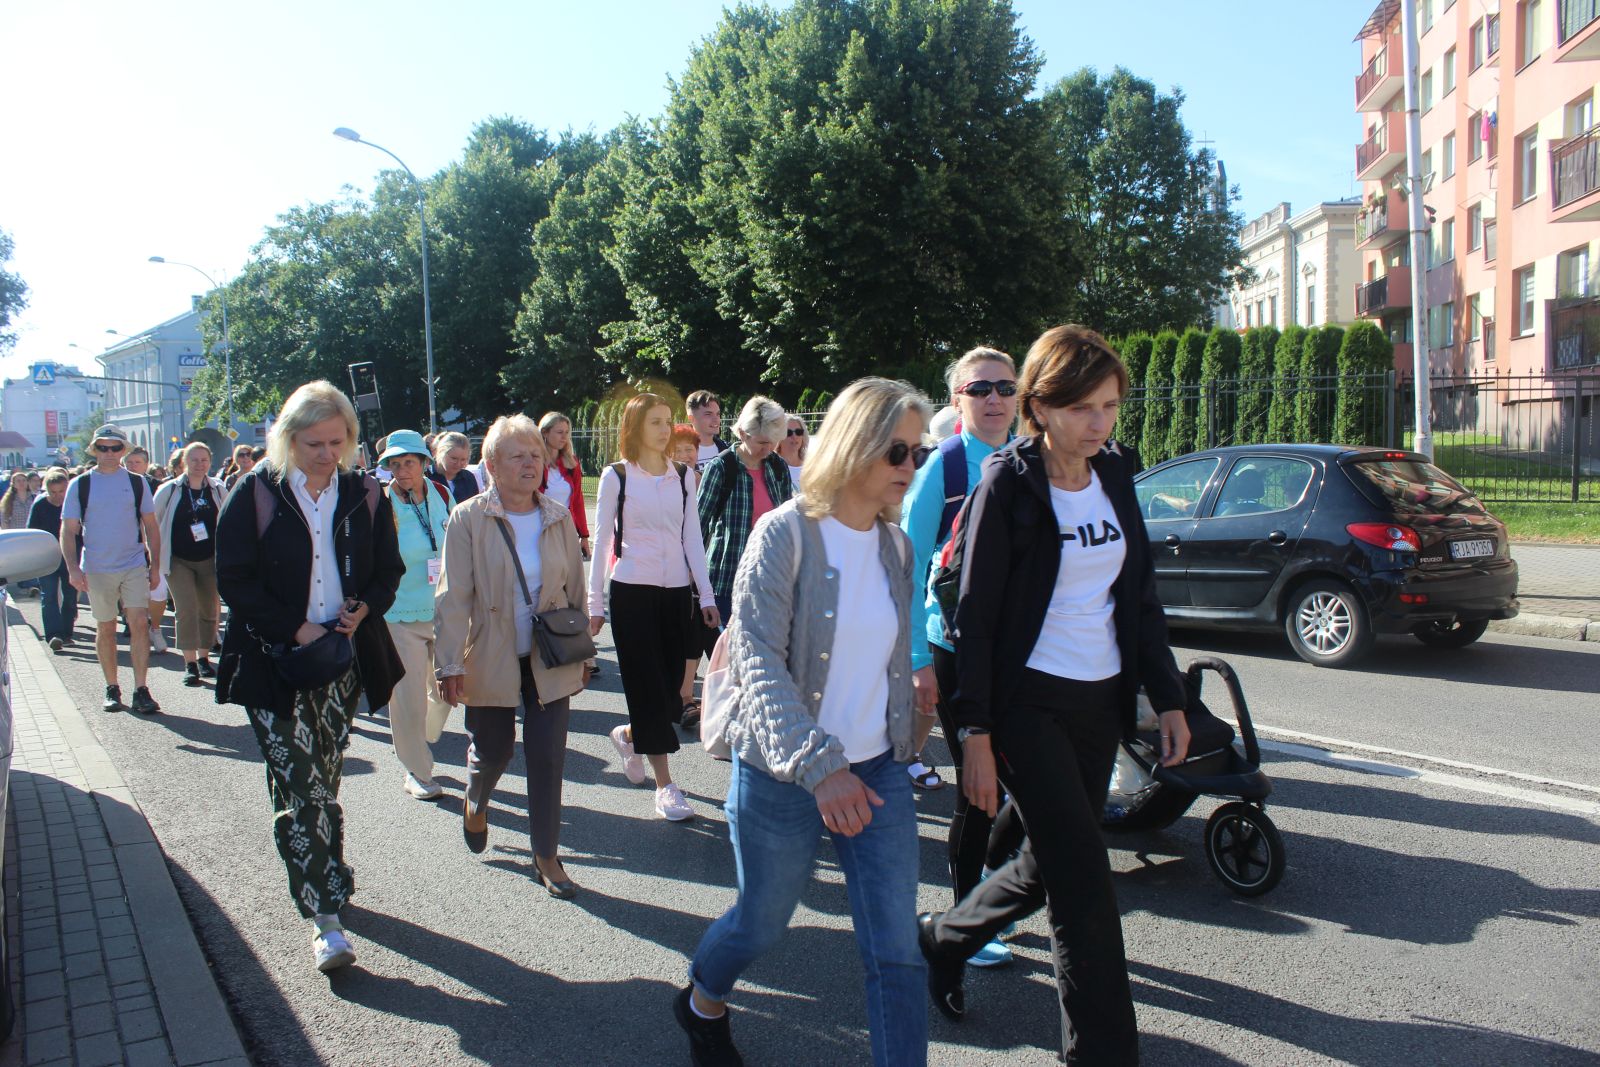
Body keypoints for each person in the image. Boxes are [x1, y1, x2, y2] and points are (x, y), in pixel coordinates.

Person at [917, 326, 1192, 1065]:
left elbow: (1139, 594)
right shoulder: (1006, 485)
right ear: (1040, 406)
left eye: (1110, 406)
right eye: (1082, 408)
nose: (1100, 423)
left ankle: (942, 938)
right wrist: (975, 731)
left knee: (1052, 861)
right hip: (1027, 706)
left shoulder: (1115, 472)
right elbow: (976, 617)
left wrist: (1168, 696)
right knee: (1085, 889)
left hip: (1100, 701)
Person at [676, 377, 933, 1067]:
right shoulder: (784, 533)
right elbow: (757, 660)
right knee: (761, 923)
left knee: (897, 952)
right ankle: (702, 999)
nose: (910, 466)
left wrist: (914, 720)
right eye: (897, 451)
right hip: (781, 772)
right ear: (854, 445)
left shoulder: (897, 547)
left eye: (917, 452)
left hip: (878, 770)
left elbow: (892, 655)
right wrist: (821, 767)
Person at [214, 380, 404, 973]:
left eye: (336, 441)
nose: (326, 454)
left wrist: (364, 607)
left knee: (319, 778)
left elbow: (388, 571)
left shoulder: (364, 492)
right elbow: (234, 580)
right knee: (303, 786)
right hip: (274, 662)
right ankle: (326, 919)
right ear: (288, 439)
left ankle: (327, 868)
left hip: (341, 661)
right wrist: (296, 629)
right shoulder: (255, 492)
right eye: (313, 443)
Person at [435, 414, 590, 896]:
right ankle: (476, 800)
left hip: (550, 655)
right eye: (518, 456)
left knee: (548, 757)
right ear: (491, 465)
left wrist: (584, 655)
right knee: (494, 750)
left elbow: (575, 588)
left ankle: (546, 856)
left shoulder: (557, 516)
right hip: (490, 652)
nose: (530, 464)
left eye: (536, 455)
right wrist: (449, 663)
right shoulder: (468, 518)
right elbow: (453, 597)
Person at [898, 346, 1020, 960]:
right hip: (955, 647)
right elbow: (908, 566)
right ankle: (969, 920)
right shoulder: (942, 470)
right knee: (980, 788)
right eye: (980, 389)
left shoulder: (1035, 458)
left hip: (1023, 653)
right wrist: (918, 661)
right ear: (958, 400)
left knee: (1029, 783)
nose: (994, 399)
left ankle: (996, 892)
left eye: (1005, 387)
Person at [588, 393, 719, 822]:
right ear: (635, 427)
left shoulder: (682, 476)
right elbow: (602, 542)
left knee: (671, 693)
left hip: (677, 592)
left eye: (667, 421)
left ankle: (629, 734)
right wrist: (594, 604)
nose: (665, 430)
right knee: (645, 686)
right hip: (631, 591)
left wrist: (706, 595)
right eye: (655, 422)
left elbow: (692, 538)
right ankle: (665, 786)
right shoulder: (617, 476)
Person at [60, 425, 162, 715]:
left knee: (139, 622)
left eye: (115, 447)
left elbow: (151, 526)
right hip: (97, 566)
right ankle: (111, 686)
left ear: (123, 450)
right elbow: (68, 530)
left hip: (133, 562)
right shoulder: (80, 484)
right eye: (103, 447)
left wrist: (156, 566)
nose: (109, 453)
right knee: (106, 627)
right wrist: (72, 569)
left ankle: (141, 688)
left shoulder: (136, 482)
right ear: (94, 450)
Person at [376, 430, 453, 801]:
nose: (402, 470)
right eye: (395, 464)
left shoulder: (442, 494)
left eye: (409, 462)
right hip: (399, 614)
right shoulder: (381, 502)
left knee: (448, 691)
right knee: (408, 698)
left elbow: (459, 541)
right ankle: (417, 771)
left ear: (424, 462)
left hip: (444, 609)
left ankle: (420, 736)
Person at [697, 396, 794, 624]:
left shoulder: (778, 467)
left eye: (773, 442)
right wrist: (695, 578)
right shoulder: (721, 468)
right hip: (726, 580)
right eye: (762, 442)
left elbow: (789, 522)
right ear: (742, 433)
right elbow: (698, 525)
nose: (768, 449)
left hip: (770, 581)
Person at [151, 443, 226, 687]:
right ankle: (190, 663)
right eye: (194, 459)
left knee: (209, 610)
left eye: (204, 459)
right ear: (184, 461)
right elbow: (152, 522)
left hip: (210, 559)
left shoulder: (218, 489)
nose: (199, 464)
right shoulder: (170, 490)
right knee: (186, 609)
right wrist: (153, 556)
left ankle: (204, 658)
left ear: (210, 462)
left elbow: (229, 520)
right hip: (178, 559)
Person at [669, 424, 713, 725]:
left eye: (690, 449)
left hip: (707, 566)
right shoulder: (665, 483)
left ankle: (691, 698)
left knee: (704, 633)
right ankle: (683, 699)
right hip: (675, 569)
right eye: (679, 449)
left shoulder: (707, 478)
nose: (686, 455)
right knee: (687, 635)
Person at [28, 468, 77, 649]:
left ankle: (66, 633)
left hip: (70, 556)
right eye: (53, 492)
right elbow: (31, 532)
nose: (57, 496)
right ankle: (54, 635)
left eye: (61, 491)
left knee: (70, 596)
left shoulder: (74, 504)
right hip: (47, 558)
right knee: (48, 596)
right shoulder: (40, 505)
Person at [538, 413, 592, 562]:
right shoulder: (535, 463)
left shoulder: (572, 463)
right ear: (545, 433)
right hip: (541, 531)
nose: (564, 437)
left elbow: (578, 501)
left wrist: (584, 536)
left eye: (567, 432)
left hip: (567, 530)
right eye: (559, 432)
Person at [2, 470, 39, 597]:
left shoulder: (34, 498)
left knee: (31, 561)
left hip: (31, 536)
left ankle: (31, 585)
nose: (21, 483)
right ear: (13, 484)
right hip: (16, 537)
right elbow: (4, 519)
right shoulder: (9, 501)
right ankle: (27, 585)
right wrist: (7, 536)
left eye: (23, 480)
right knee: (22, 562)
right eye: (18, 481)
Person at [428, 431, 480, 505]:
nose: (458, 464)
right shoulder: (427, 476)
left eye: (463, 460)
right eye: (454, 458)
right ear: (441, 453)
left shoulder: (469, 478)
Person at [687, 389, 730, 471]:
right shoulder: (680, 454)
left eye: (718, 414)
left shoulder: (727, 450)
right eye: (708, 414)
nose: (716, 419)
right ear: (692, 418)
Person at [776, 416, 807, 491]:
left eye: (798, 432)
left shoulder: (811, 464)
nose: (794, 436)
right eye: (788, 433)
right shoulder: (771, 466)